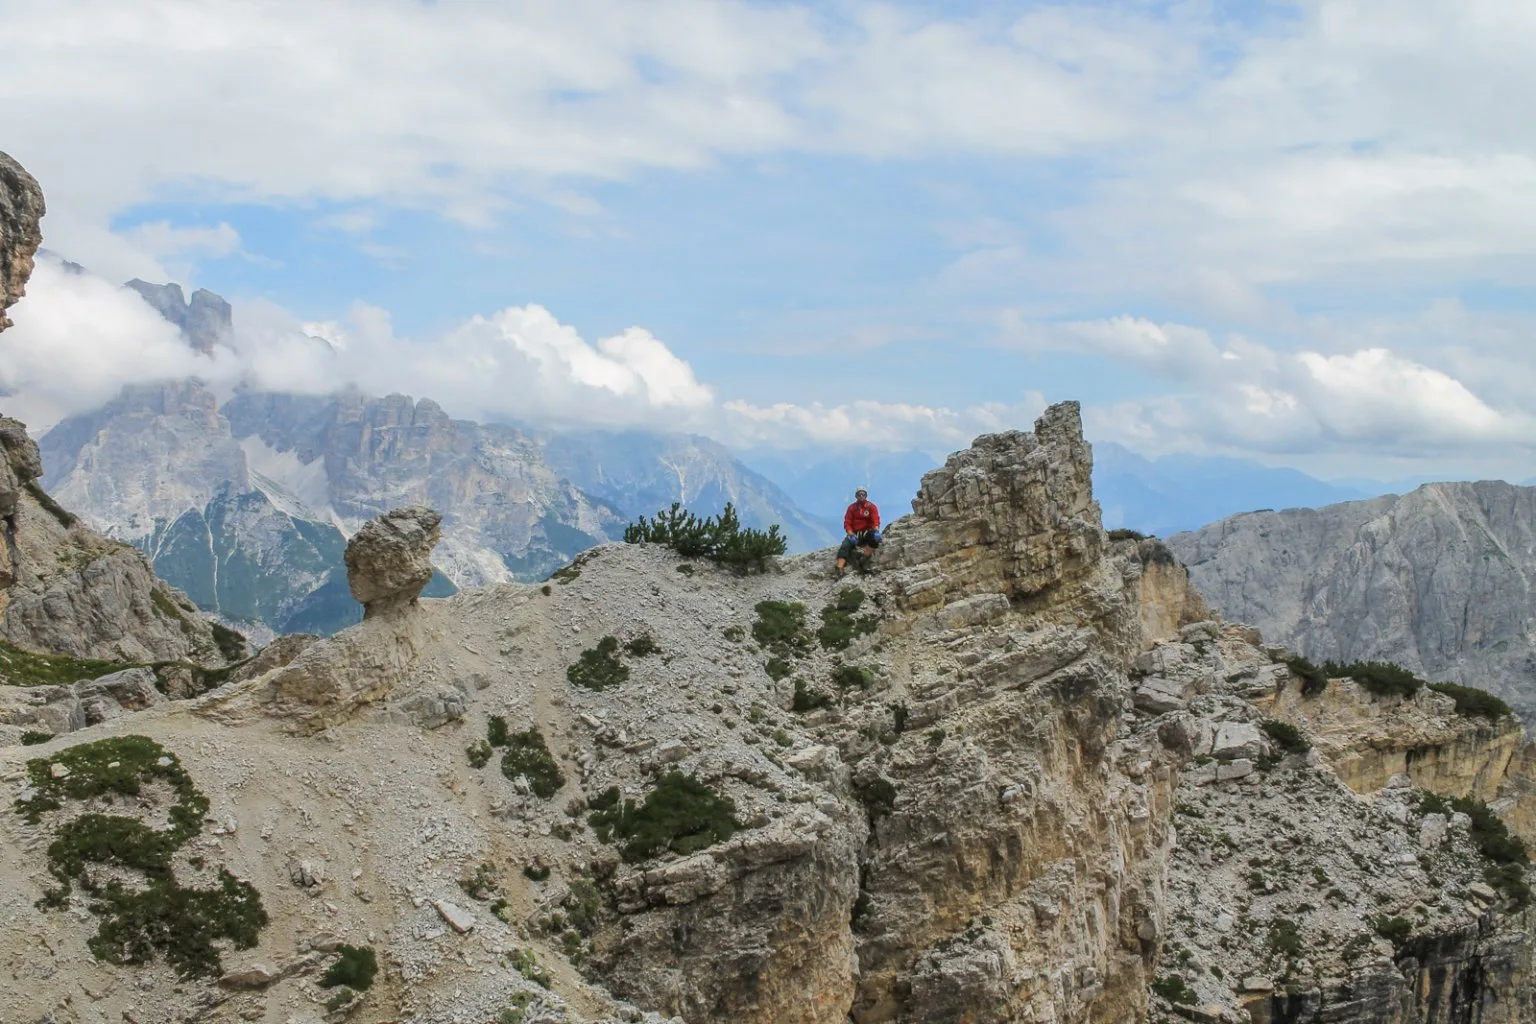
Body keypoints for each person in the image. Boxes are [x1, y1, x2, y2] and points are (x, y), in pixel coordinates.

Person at [836, 488, 881, 573]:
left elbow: (875, 520)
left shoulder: (871, 507)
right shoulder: (852, 508)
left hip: (866, 531)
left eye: (863, 494)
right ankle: (839, 568)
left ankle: (863, 558)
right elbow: (847, 522)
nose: (861, 496)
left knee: (875, 539)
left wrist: (876, 530)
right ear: (856, 496)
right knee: (845, 546)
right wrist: (850, 534)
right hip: (854, 533)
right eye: (859, 494)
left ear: (866, 496)